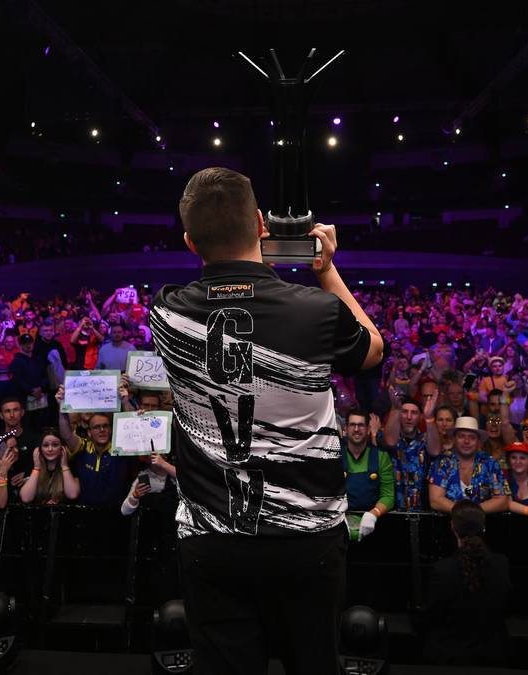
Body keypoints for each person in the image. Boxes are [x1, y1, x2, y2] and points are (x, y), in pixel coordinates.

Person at [149, 168, 382, 674]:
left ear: (190, 241)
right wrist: (325, 270)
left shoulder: (166, 313)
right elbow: (373, 350)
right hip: (307, 541)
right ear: (261, 224)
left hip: (212, 540)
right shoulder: (317, 310)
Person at [418, 500, 511, 667]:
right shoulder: (501, 564)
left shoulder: (442, 570)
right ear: (483, 527)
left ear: (453, 527)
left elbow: (431, 615)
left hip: (449, 656)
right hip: (493, 654)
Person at [428, 416, 510, 514]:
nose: (466, 441)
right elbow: (435, 501)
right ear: (454, 439)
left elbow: (503, 501)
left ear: (478, 442)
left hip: (483, 525)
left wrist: (473, 512)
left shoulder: (490, 463)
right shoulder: (442, 462)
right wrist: (464, 513)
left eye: (472, 437)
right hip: (447, 525)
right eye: (461, 436)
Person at [340, 409, 393, 540]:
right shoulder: (335, 457)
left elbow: (388, 495)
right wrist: (338, 517)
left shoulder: (381, 457)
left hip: (375, 527)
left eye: (361, 425)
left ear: (369, 430)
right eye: (352, 425)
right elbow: (327, 491)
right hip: (341, 527)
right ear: (345, 429)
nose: (356, 429)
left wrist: (374, 514)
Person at [20, 429, 80, 504]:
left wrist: (64, 467)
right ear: (40, 449)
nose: (50, 449)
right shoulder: (33, 466)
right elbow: (26, 498)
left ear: (62, 448)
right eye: (45, 445)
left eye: (55, 445)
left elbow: (72, 495)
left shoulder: (71, 466)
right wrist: (36, 468)